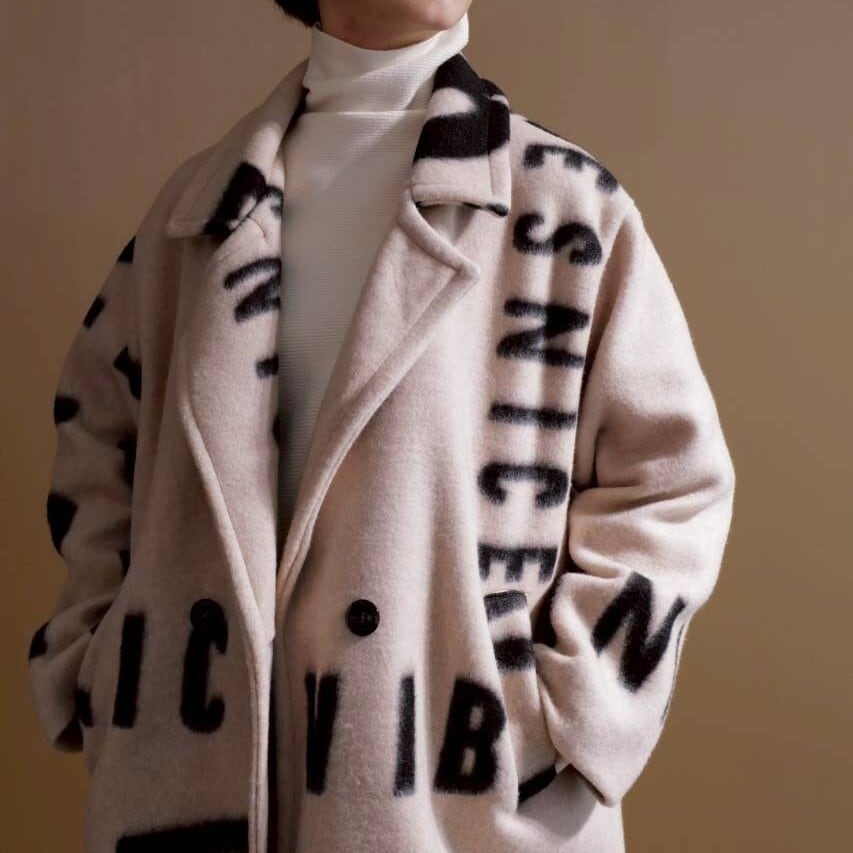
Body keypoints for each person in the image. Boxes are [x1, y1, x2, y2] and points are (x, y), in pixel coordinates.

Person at [27, 2, 736, 851]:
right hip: (190, 770)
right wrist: (101, 656)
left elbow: (670, 483)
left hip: (465, 799)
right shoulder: (195, 211)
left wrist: (564, 712)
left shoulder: (564, 206)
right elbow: (97, 436)